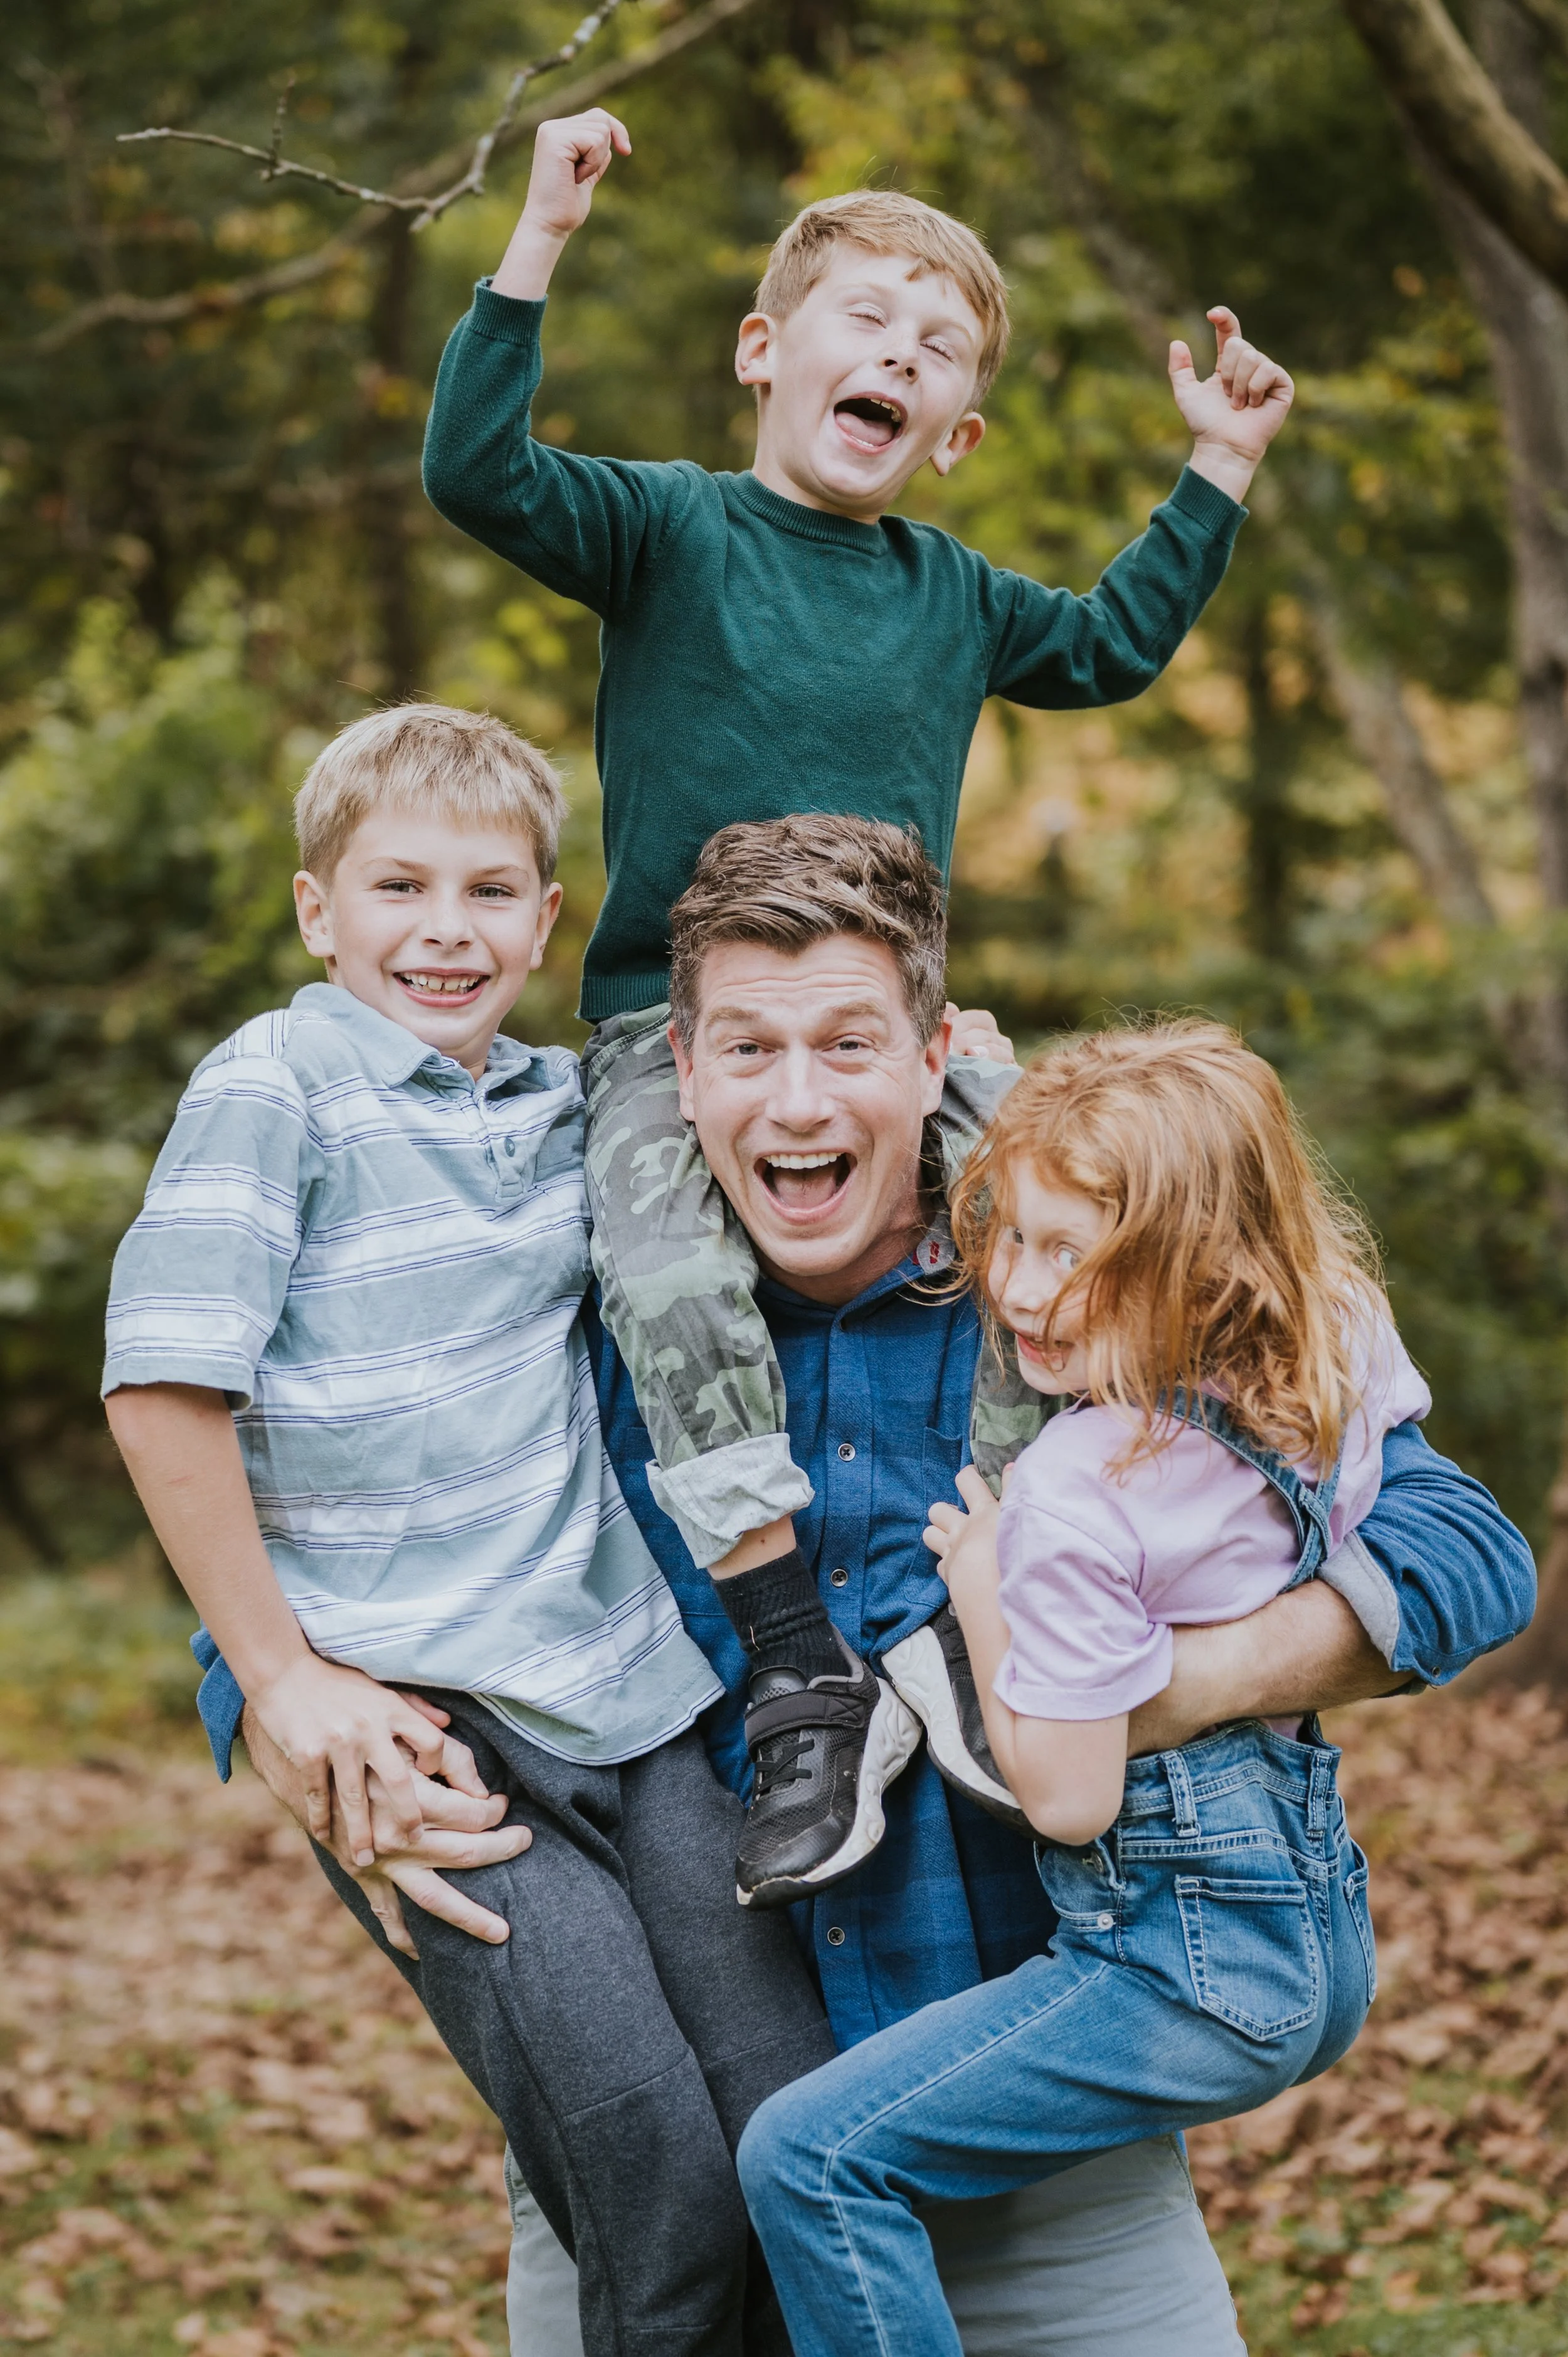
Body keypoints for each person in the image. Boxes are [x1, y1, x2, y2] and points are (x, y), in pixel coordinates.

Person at [225, 813, 1533, 2357]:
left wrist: (1154, 1693)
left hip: (1036, 2154)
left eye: (848, 1041)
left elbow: (1460, 1555)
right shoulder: (569, 1319)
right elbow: (329, 1540)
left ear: (934, 1056)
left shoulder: (1089, 1289)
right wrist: (293, 1708)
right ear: (679, 1075)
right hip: (673, 2161)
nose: (797, 1100)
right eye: (747, 1048)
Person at [421, 105, 1299, 1903]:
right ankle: (800, 1646)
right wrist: (538, 245)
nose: (895, 355)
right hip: (679, 1038)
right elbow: (476, 472)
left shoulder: (955, 596)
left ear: (956, 435)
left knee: (1046, 1220)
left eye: (936, 349)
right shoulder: (668, 532)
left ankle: (990, 1598)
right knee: (661, 1257)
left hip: (904, 1046)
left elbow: (1114, 644)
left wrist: (1210, 471)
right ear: (764, 352)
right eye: (865, 321)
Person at [100, 704, 835, 2357]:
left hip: (633, 1693)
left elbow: (764, 1096)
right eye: (398, 886)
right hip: (425, 1734)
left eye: (491, 891)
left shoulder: (571, 1102)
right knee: (658, 2177)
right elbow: (160, 1386)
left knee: (794, 2128)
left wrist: (962, 1057)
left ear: (546, 916)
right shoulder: (276, 1083)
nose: (446, 929)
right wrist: (282, 1682)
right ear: (316, 909)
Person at [734, 1019, 1425, 2357]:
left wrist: (982, 1584)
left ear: (1192, 1264)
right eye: (1015, 1239)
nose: (1023, 1291)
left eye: (1075, 1256)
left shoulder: (1067, 1490)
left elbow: (1063, 1793)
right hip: (1321, 1938)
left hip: (1172, 1963)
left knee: (805, 2161)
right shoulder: (1328, 1341)